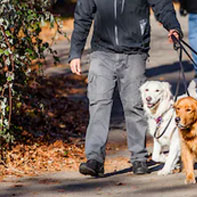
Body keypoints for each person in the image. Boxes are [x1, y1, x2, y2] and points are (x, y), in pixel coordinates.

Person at [68, 0, 182, 177]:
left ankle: (139, 158)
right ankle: (94, 159)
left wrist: (173, 28)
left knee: (135, 106)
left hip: (134, 52)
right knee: (98, 105)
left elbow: (162, 5)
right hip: (102, 53)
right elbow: (82, 16)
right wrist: (75, 52)